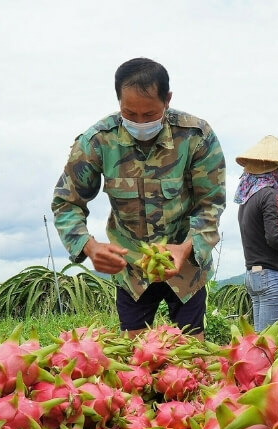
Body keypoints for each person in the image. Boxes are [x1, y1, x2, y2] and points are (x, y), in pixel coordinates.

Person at [51, 57, 226, 339]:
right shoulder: (98, 141)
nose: (140, 123)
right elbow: (66, 203)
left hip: (186, 268)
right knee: (133, 356)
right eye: (130, 114)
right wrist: (88, 246)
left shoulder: (196, 137)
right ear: (119, 102)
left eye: (150, 114)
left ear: (167, 100)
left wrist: (186, 248)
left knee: (192, 353)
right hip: (130, 269)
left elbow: (211, 204)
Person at [235, 135, 278, 331]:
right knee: (271, 341)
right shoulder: (270, 194)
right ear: (274, 167)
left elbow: (258, 230)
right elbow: (276, 238)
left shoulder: (248, 196)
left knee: (261, 339)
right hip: (271, 275)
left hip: (253, 274)